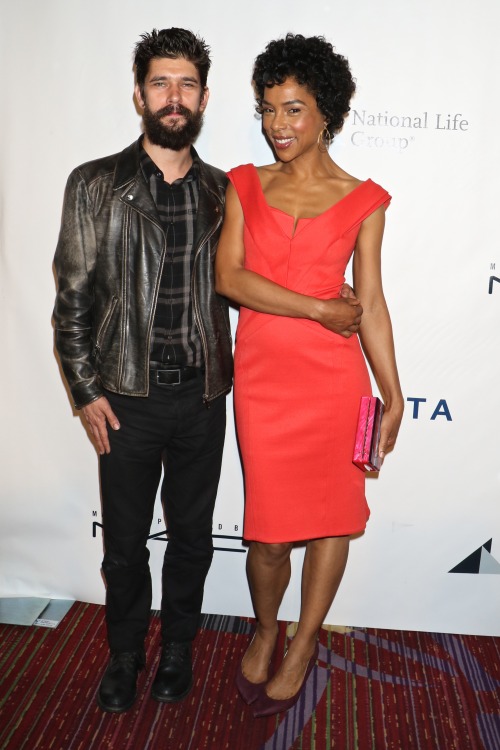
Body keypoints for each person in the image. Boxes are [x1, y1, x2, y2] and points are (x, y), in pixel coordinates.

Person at [215, 33, 404, 717]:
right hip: (264, 380)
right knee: (266, 535)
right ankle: (266, 627)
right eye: (268, 110)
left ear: (327, 112)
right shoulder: (243, 183)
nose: (278, 126)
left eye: (293, 109)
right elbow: (231, 278)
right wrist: (321, 307)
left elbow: (372, 302)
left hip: (335, 384)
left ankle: (302, 644)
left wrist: (392, 389)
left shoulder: (366, 199)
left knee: (331, 522)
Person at [53, 28, 233, 713]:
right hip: (127, 398)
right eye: (161, 82)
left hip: (203, 396)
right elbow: (71, 298)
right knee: (125, 547)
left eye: (186, 84)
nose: (174, 96)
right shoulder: (96, 185)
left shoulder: (223, 192)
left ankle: (178, 650)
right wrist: (84, 389)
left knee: (192, 539)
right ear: (139, 94)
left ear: (205, 97)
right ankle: (125, 655)